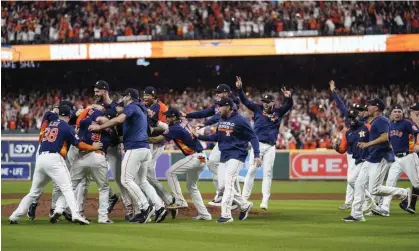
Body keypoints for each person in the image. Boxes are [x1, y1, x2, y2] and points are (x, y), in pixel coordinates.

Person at [9, 105, 101, 225]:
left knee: (33, 192)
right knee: (68, 188)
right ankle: (76, 215)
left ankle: (14, 216)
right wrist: (92, 147)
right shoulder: (66, 127)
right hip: (54, 158)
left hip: (41, 158)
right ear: (68, 116)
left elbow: (48, 116)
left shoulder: (50, 123)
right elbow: (79, 144)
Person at [88, 88, 167, 224]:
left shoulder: (132, 107)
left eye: (124, 96)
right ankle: (159, 207)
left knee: (125, 180)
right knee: (142, 181)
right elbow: (119, 110)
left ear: (129, 97)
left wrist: (99, 127)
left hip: (135, 148)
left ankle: (145, 208)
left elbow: (119, 119)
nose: (123, 99)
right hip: (145, 149)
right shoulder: (141, 108)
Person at [343, 99, 412, 222]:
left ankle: (403, 193)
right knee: (358, 184)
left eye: (370, 106)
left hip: (381, 158)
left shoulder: (382, 120)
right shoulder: (375, 121)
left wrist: (367, 144)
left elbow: (385, 137)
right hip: (371, 157)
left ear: (376, 108)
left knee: (374, 189)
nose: (367, 107)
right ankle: (357, 214)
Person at [197, 97, 260, 223]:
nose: (219, 108)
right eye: (218, 106)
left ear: (229, 107)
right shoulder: (221, 119)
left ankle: (226, 215)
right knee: (222, 186)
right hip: (224, 155)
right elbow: (217, 136)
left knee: (229, 183)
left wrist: (257, 154)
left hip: (237, 155)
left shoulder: (241, 120)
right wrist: (201, 137)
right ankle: (244, 205)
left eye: (221, 106)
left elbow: (253, 136)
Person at [236, 76, 293, 210]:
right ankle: (244, 198)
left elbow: (288, 105)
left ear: (273, 102)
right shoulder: (257, 109)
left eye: (268, 101)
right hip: (257, 145)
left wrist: (289, 97)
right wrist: (240, 89)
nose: (265, 103)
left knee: (267, 173)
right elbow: (244, 101)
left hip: (271, 147)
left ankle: (265, 201)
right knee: (251, 170)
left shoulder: (278, 112)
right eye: (264, 101)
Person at [148, 107, 212, 220]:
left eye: (168, 116)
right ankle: (205, 214)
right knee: (191, 186)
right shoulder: (184, 123)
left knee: (170, 173)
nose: (166, 118)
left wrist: (140, 139)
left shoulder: (175, 128)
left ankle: (179, 201)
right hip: (202, 157)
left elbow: (157, 139)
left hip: (195, 157)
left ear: (174, 117)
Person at [184, 84, 240, 206]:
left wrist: (205, 124)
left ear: (225, 93)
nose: (216, 94)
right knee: (217, 165)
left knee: (217, 164)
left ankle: (227, 196)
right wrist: (187, 115)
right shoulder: (218, 104)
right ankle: (228, 196)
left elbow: (217, 116)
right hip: (224, 138)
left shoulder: (232, 103)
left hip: (231, 140)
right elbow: (205, 112)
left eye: (218, 92)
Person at [67, 108, 117, 224]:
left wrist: (88, 112)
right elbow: (114, 141)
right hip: (99, 157)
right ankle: (103, 217)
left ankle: (63, 209)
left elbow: (79, 123)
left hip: (82, 156)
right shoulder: (111, 131)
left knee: (70, 186)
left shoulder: (86, 123)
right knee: (103, 188)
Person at [380, 104, 419, 215]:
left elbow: (417, 133)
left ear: (402, 113)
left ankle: (409, 202)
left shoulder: (407, 123)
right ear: (391, 114)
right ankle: (385, 208)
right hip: (396, 159)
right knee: (389, 183)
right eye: (395, 111)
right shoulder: (389, 125)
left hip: (409, 157)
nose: (397, 113)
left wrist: (417, 143)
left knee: (417, 184)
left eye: (399, 111)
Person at [143, 86, 175, 208]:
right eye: (144, 95)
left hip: (156, 143)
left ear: (154, 96)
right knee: (148, 174)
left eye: (148, 95)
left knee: (146, 172)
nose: (145, 97)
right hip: (146, 143)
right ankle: (160, 200)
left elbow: (166, 127)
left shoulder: (162, 107)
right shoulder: (144, 106)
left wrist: (152, 129)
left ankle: (164, 200)